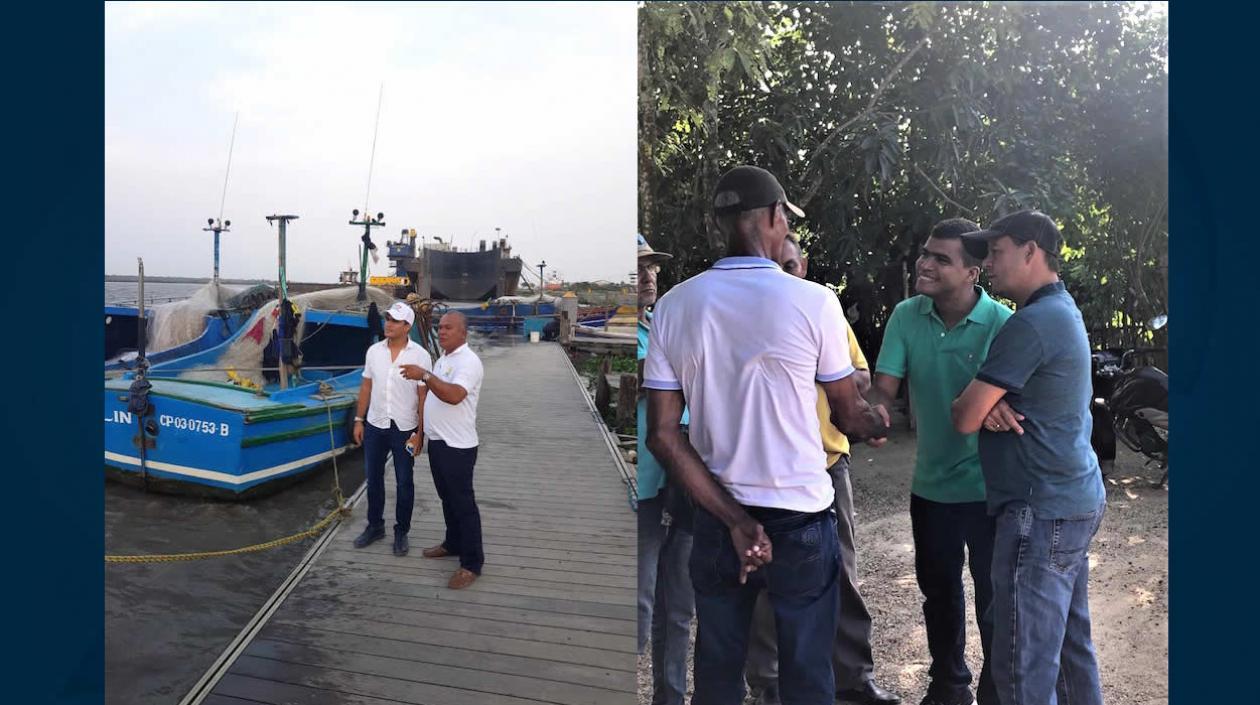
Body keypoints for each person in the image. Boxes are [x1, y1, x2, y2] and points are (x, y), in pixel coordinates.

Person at [644, 165, 890, 705]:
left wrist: (736, 521)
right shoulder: (814, 302)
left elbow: (663, 436)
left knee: (718, 668)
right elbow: (849, 415)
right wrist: (878, 420)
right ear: (777, 218)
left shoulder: (674, 306)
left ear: (721, 224)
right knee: (806, 672)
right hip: (801, 516)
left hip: (718, 518)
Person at [952, 211, 1106, 705]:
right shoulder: (1061, 311)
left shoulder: (1034, 323)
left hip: (1038, 510)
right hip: (1068, 498)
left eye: (996, 252)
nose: (989, 265)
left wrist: (980, 403)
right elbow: (984, 408)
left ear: (1030, 251)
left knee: (1023, 668)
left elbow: (962, 415)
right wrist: (988, 404)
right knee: (1066, 651)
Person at [744, 236, 901, 705]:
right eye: (776, 265)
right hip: (771, 471)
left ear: (805, 264)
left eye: (791, 265)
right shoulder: (753, 316)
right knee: (768, 581)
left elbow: (860, 376)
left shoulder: (820, 307)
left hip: (829, 463)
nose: (786, 274)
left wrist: (804, 362)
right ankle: (768, 684)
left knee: (843, 572)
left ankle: (853, 678)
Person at [865, 218, 1012, 705]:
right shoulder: (907, 315)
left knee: (996, 602)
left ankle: (996, 692)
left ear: (973, 272)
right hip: (931, 488)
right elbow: (883, 388)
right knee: (940, 596)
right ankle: (949, 688)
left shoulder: (1003, 324)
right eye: (925, 254)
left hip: (993, 490)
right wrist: (874, 414)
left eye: (940, 259)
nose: (924, 264)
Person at [636, 234, 695, 705]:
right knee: (638, 608)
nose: (649, 275)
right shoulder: (623, 332)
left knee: (678, 609)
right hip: (643, 490)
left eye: (652, 267)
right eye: (637, 268)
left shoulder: (665, 325)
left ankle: (669, 698)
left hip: (684, 484)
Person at [400, 311, 486, 590]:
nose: (443, 331)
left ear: (464, 333)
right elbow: (430, 395)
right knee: (446, 499)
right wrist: (421, 434)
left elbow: (453, 395)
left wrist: (424, 374)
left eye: (449, 327)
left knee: (463, 504)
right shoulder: (445, 359)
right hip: (439, 442)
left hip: (458, 446)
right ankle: (453, 543)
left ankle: (472, 563)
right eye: (440, 327)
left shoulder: (469, 362)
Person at [352, 301, 433, 557]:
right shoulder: (374, 351)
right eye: (387, 318)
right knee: (373, 479)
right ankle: (375, 526)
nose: (388, 323)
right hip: (376, 424)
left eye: (395, 320)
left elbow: (423, 396)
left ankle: (401, 531)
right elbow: (366, 387)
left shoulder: (420, 355)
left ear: (407, 326)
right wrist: (358, 419)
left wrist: (420, 433)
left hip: (405, 428)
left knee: (404, 482)